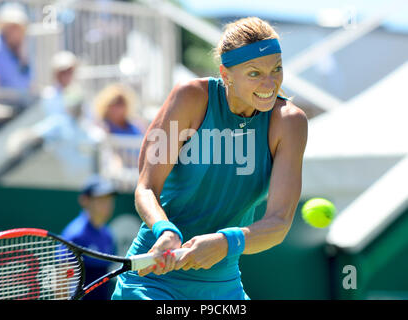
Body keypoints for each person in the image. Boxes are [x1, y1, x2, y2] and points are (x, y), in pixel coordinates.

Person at [112, 17, 308, 300]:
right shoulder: (190, 97)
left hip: (223, 287)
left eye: (276, 69)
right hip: (152, 281)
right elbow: (146, 188)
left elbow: (278, 223)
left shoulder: (290, 123)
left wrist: (226, 242)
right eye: (254, 73)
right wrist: (164, 230)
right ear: (226, 75)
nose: (270, 83)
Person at [61, 175, 117, 300]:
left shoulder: (108, 235)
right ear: (85, 200)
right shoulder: (75, 235)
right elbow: (62, 279)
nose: (107, 205)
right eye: (101, 199)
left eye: (109, 200)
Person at [0, 3, 32, 92]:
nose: (15, 32)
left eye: (18, 28)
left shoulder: (21, 49)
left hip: (19, 101)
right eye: (12, 27)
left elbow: (27, 80)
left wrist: (23, 60)